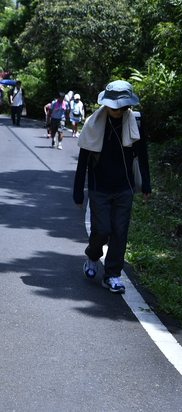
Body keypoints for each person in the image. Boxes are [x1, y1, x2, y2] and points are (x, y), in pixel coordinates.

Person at [73, 80, 151, 294]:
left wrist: (146, 182)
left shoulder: (134, 122)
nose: (118, 110)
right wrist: (78, 191)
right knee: (103, 230)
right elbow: (83, 161)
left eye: (122, 106)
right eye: (115, 106)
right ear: (106, 104)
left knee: (119, 231)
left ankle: (112, 275)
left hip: (124, 187)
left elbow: (141, 155)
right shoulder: (93, 124)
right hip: (100, 187)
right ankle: (92, 256)